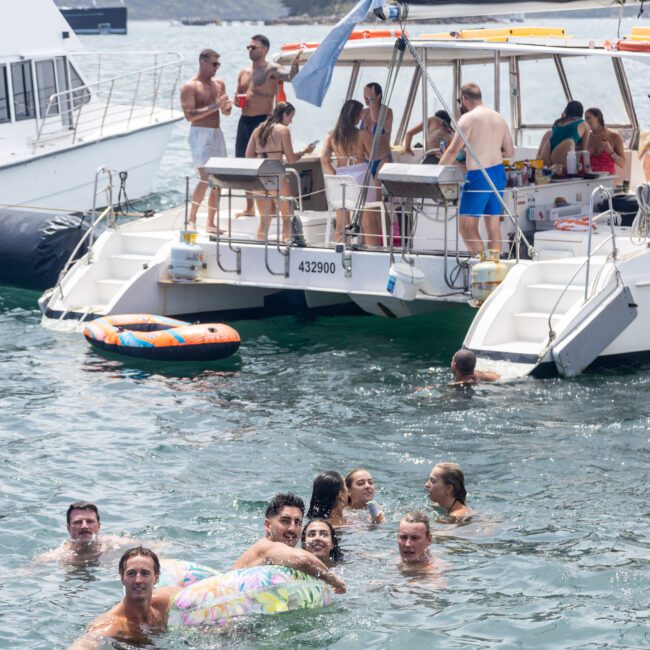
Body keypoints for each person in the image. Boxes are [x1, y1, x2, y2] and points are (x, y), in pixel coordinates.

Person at [439, 83, 514, 255]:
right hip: (498, 174)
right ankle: (494, 269)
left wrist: (436, 171)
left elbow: (452, 150)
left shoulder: (467, 119)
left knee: (466, 228)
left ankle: (482, 267)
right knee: (493, 226)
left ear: (464, 99)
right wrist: (489, 150)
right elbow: (509, 151)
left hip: (479, 177)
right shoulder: (498, 117)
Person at [235, 34, 303, 217]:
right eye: (248, 47)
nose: (250, 50)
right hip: (244, 121)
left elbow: (290, 77)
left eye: (253, 47)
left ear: (264, 50)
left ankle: (271, 207)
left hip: (262, 121)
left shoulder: (272, 69)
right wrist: (234, 101)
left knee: (263, 165)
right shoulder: (243, 72)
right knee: (243, 162)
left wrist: (295, 63)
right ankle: (249, 207)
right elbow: (239, 95)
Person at [233, 492, 346, 593]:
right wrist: (334, 581)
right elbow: (303, 560)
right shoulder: (266, 546)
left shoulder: (280, 555)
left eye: (297, 522)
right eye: (285, 521)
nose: (292, 528)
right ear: (268, 525)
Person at [70, 546, 180, 648]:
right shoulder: (111, 625)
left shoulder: (164, 601)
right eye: (131, 573)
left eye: (145, 573)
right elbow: (85, 643)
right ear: (122, 578)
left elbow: (193, 593)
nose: (138, 580)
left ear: (156, 577)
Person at [180, 49, 232, 234]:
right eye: (214, 64)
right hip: (199, 134)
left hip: (216, 133)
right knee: (205, 177)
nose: (216, 68)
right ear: (203, 62)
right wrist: (214, 106)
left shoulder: (219, 84)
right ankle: (191, 219)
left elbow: (224, 112)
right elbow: (189, 116)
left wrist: (226, 108)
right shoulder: (190, 86)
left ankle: (210, 222)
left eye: (218, 64)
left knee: (218, 179)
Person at [245, 101, 315, 240]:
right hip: (276, 175)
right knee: (287, 217)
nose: (291, 121)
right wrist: (304, 152)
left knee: (265, 219)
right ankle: (285, 248)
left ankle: (260, 247)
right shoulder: (283, 130)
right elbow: (291, 158)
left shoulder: (258, 128)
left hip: (258, 176)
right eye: (290, 117)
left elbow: (248, 154)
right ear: (284, 114)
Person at [320, 99, 379, 245]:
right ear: (356, 115)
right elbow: (374, 157)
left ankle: (340, 253)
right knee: (368, 221)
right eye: (360, 114)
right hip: (361, 176)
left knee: (341, 222)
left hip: (341, 179)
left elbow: (324, 160)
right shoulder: (363, 135)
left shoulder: (331, 136)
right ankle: (374, 254)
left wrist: (335, 176)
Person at [36, 501, 137, 566]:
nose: (84, 526)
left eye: (90, 521)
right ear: (68, 528)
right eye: (78, 522)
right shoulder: (58, 556)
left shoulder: (114, 544)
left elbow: (150, 548)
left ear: (98, 526)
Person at [537, 100, 590, 168]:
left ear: (567, 111)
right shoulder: (584, 124)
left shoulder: (557, 123)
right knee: (570, 142)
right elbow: (584, 151)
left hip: (546, 155)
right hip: (560, 158)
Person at [360, 82, 394, 176]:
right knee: (367, 190)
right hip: (366, 159)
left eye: (369, 96)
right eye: (365, 96)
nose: (366, 99)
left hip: (382, 158)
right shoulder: (364, 112)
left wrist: (372, 98)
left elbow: (376, 118)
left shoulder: (387, 111)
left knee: (377, 189)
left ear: (378, 97)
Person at [585, 107, 625, 175]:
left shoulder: (613, 136)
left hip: (607, 181)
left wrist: (611, 152)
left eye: (588, 118)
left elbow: (622, 164)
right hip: (589, 180)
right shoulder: (586, 138)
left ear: (597, 117)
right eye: (585, 119)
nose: (586, 121)